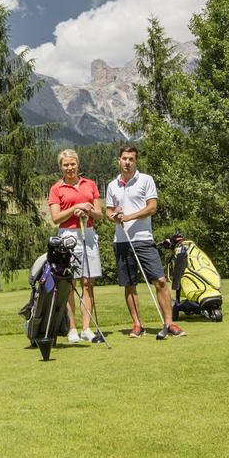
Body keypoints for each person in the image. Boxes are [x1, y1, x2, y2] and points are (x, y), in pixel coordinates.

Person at [104, 145, 184, 340]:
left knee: (160, 281)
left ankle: (169, 323)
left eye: (131, 159)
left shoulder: (146, 180)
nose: (127, 162)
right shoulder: (112, 185)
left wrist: (129, 216)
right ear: (119, 160)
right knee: (129, 285)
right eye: (124, 158)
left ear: (135, 161)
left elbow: (152, 208)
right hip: (122, 241)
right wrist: (114, 217)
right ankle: (137, 325)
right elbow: (108, 211)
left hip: (143, 239)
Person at [47, 148, 104, 344]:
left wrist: (88, 211)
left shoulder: (90, 184)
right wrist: (74, 209)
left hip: (88, 233)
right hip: (68, 236)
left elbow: (99, 214)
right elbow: (55, 218)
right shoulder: (57, 188)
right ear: (60, 167)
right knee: (70, 284)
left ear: (78, 164)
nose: (70, 168)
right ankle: (72, 329)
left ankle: (87, 328)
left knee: (88, 283)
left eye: (73, 164)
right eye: (66, 165)